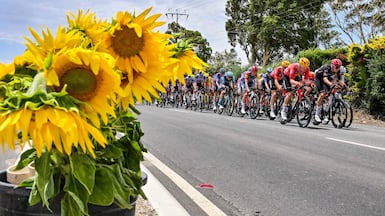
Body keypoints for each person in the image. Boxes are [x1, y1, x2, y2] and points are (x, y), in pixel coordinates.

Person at [314, 58, 346, 123]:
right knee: (323, 94)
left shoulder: (338, 70)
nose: (337, 69)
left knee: (331, 92)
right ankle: (317, 114)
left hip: (327, 78)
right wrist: (332, 85)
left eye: (339, 67)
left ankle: (326, 112)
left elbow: (340, 80)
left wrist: (344, 86)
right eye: (336, 67)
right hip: (319, 78)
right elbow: (325, 79)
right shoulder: (327, 67)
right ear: (332, 65)